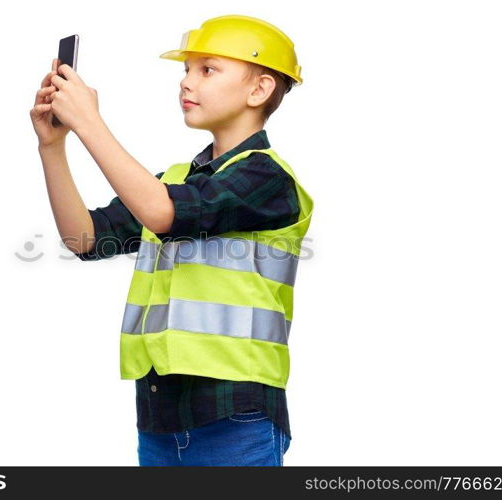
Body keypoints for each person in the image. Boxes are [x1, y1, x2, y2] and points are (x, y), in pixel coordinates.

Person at [30, 14, 314, 466]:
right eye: (185, 70)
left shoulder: (266, 177)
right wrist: (53, 147)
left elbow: (163, 213)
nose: (186, 82)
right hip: (160, 416)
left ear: (258, 89)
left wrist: (89, 122)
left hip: (235, 415)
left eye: (207, 69)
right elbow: (85, 237)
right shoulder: (175, 182)